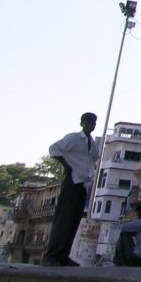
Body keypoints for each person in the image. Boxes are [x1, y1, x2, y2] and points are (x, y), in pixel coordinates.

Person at [41, 112, 100, 267]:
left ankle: (63, 255)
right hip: (72, 181)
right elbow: (54, 149)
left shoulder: (92, 144)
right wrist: (67, 166)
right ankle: (51, 256)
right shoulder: (73, 138)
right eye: (87, 122)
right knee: (63, 220)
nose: (90, 125)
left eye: (93, 123)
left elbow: (92, 160)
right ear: (82, 123)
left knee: (73, 221)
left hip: (83, 184)